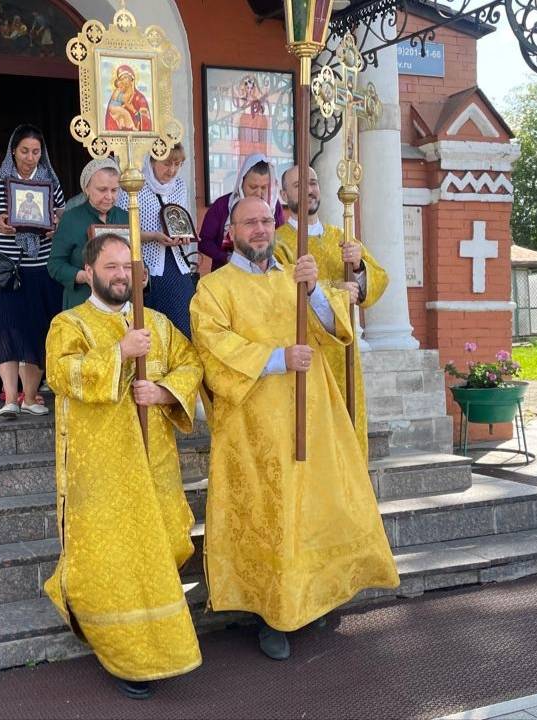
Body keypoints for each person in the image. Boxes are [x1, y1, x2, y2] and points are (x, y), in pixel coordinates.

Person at [190, 195, 399, 661]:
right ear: (233, 231)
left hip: (312, 416)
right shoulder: (214, 289)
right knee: (269, 516)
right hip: (254, 427)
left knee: (314, 509)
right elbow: (212, 345)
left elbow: (336, 328)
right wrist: (278, 358)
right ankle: (269, 615)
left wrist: (314, 293)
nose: (261, 229)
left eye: (267, 220)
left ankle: (316, 598)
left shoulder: (296, 277)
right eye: (251, 222)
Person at [44, 232, 203, 700]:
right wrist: (120, 354)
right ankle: (122, 650)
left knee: (165, 543)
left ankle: (158, 641)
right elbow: (62, 373)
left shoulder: (155, 321)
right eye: (111, 267)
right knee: (112, 560)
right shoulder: (69, 323)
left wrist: (162, 390)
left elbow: (190, 364)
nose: (120, 275)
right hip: (102, 470)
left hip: (155, 462)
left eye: (127, 267)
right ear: (90, 273)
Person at [274, 165, 388, 457]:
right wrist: (339, 290)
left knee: (347, 441)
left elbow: (377, 282)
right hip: (305, 352)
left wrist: (360, 266)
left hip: (345, 354)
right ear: (284, 195)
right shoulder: (278, 243)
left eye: (312, 182)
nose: (309, 189)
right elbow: (283, 291)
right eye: (299, 185)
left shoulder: (343, 237)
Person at [0, 124, 66, 417]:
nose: (30, 157)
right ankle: (10, 398)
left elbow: (62, 217)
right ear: (13, 150)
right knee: (7, 330)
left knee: (37, 330)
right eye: (24, 150)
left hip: (40, 268)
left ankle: (30, 397)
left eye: (36, 151)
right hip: (6, 269)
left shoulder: (50, 181)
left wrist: (54, 226)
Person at [116, 143, 197, 337]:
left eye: (178, 164)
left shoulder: (179, 186)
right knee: (154, 327)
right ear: (152, 160)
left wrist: (183, 236)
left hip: (177, 264)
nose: (173, 170)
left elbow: (181, 220)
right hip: (147, 266)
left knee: (184, 322)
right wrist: (153, 236)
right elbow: (122, 231)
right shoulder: (134, 185)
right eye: (167, 163)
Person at [49, 158, 129, 309]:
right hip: (82, 303)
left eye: (114, 190)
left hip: (121, 305)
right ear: (86, 189)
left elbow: (136, 259)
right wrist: (82, 276)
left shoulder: (126, 217)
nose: (109, 196)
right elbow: (55, 265)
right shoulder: (71, 218)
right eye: (102, 190)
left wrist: (143, 276)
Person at [196, 153, 285, 275]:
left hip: (265, 276)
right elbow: (204, 242)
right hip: (226, 275)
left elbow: (280, 242)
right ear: (241, 182)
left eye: (264, 187)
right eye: (253, 187)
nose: (259, 193)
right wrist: (226, 257)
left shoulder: (275, 207)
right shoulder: (223, 206)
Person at [105, 64, 152, 132]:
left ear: (131, 79)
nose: (124, 81)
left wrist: (137, 114)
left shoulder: (140, 97)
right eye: (121, 79)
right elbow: (109, 120)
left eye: (125, 77)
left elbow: (145, 120)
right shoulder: (117, 95)